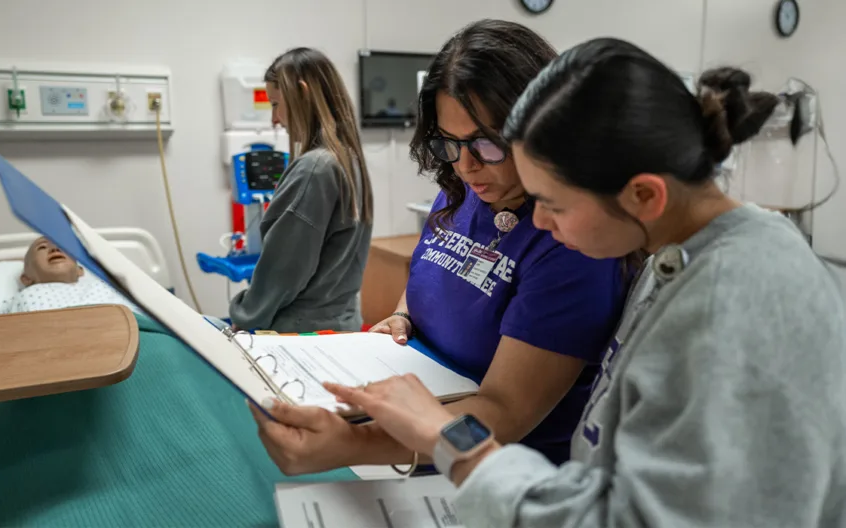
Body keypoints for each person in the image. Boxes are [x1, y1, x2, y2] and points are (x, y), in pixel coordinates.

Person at [320, 38, 846, 527]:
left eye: (552, 204)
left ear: (644, 195)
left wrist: (451, 441)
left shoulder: (742, 301)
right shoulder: (677, 259)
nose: (539, 224)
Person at [249, 20, 629, 474]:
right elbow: (430, 272)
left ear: (542, 127)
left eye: (486, 144)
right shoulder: (462, 191)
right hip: (412, 442)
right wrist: (403, 314)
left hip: (498, 477)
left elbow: (503, 413)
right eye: (448, 143)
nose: (467, 166)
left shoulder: (570, 241)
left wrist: (358, 444)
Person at [229, 48, 373, 333]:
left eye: (275, 104)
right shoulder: (348, 158)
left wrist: (244, 317)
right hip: (342, 325)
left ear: (303, 94)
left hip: (302, 331)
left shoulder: (314, 169)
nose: (274, 119)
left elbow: (282, 271)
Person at [0, 236, 141, 315]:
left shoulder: (105, 287)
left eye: (62, 247)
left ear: (80, 271)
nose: (54, 249)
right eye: (42, 247)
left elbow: (144, 318)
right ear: (26, 278)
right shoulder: (20, 298)